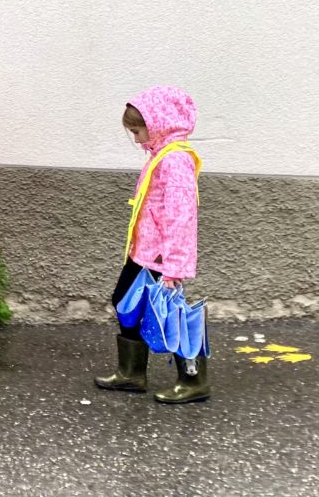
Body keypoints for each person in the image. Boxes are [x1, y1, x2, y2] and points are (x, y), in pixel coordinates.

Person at [94, 85, 209, 404]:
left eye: (137, 130)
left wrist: (174, 266)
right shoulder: (162, 156)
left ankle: (193, 379)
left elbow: (181, 216)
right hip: (145, 252)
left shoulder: (175, 161)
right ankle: (132, 373)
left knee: (171, 315)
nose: (136, 138)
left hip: (160, 257)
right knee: (126, 303)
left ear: (157, 124)